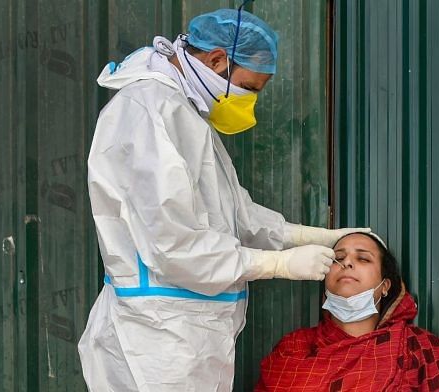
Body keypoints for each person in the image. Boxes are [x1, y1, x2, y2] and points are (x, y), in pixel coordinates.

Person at [77, 5, 368, 392]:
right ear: (216, 60)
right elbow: (173, 245)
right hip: (157, 338)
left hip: (183, 332)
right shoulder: (149, 111)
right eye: (248, 88)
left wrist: (307, 237)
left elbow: (235, 214)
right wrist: (277, 263)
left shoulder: (184, 112)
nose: (249, 102)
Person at [256, 232, 439, 391]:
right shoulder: (294, 350)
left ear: (386, 285)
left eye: (362, 258)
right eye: (338, 258)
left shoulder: (421, 350)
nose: (347, 263)